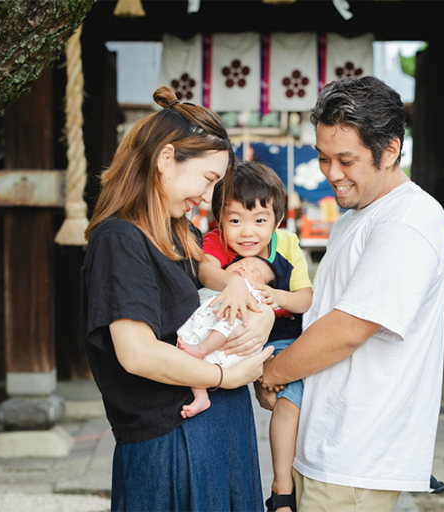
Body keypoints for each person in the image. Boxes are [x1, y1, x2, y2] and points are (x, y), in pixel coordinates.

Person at [257, 75, 444, 511]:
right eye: (323, 158)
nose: (331, 174)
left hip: (355, 456)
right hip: (325, 441)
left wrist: (274, 372)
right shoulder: (356, 215)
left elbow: (348, 329)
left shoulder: (406, 220)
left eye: (346, 159)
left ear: (390, 150)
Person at [81, 86, 275, 512]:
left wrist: (255, 310)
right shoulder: (119, 238)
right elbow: (137, 354)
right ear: (166, 158)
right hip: (171, 437)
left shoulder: (177, 231)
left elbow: (218, 286)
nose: (208, 198)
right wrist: (227, 377)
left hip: (218, 423)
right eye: (208, 180)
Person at [202, 161, 313, 512]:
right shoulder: (216, 243)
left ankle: (282, 487)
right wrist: (232, 281)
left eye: (260, 221)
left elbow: (306, 299)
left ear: (277, 220)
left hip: (281, 335)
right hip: (230, 336)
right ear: (219, 219)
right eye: (235, 220)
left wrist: (280, 298)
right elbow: (205, 270)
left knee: (291, 398)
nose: (247, 232)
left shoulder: (288, 244)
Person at [177, 256, 279, 418]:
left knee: (228, 319)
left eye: (254, 272)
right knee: (191, 359)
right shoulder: (215, 286)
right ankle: (201, 395)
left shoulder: (252, 292)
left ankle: (202, 350)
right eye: (241, 264)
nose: (245, 268)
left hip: (227, 342)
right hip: (204, 334)